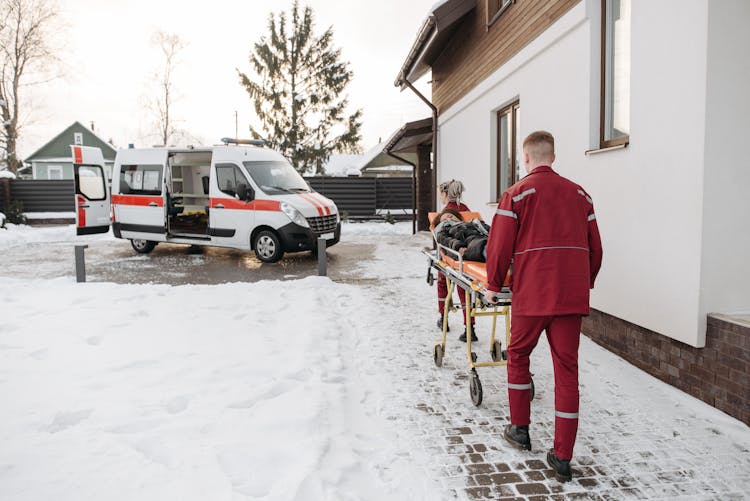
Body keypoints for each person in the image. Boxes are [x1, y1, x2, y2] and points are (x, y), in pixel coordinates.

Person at [483, 131, 603, 483]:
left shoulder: (517, 194)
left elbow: (499, 246)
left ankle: (520, 430)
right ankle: (562, 457)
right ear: (553, 155)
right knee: (568, 372)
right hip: (569, 297)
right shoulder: (582, 195)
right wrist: (584, 281)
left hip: (532, 296)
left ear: (526, 158)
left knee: (518, 356)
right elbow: (596, 250)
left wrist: (493, 285)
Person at [434, 180, 476, 342]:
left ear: (445, 194)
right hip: (471, 254)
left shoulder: (445, 213)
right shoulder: (467, 210)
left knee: (442, 282)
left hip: (452, 255)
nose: (440, 198)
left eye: (440, 194)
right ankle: (470, 327)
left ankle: (443, 318)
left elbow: (440, 239)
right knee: (464, 288)